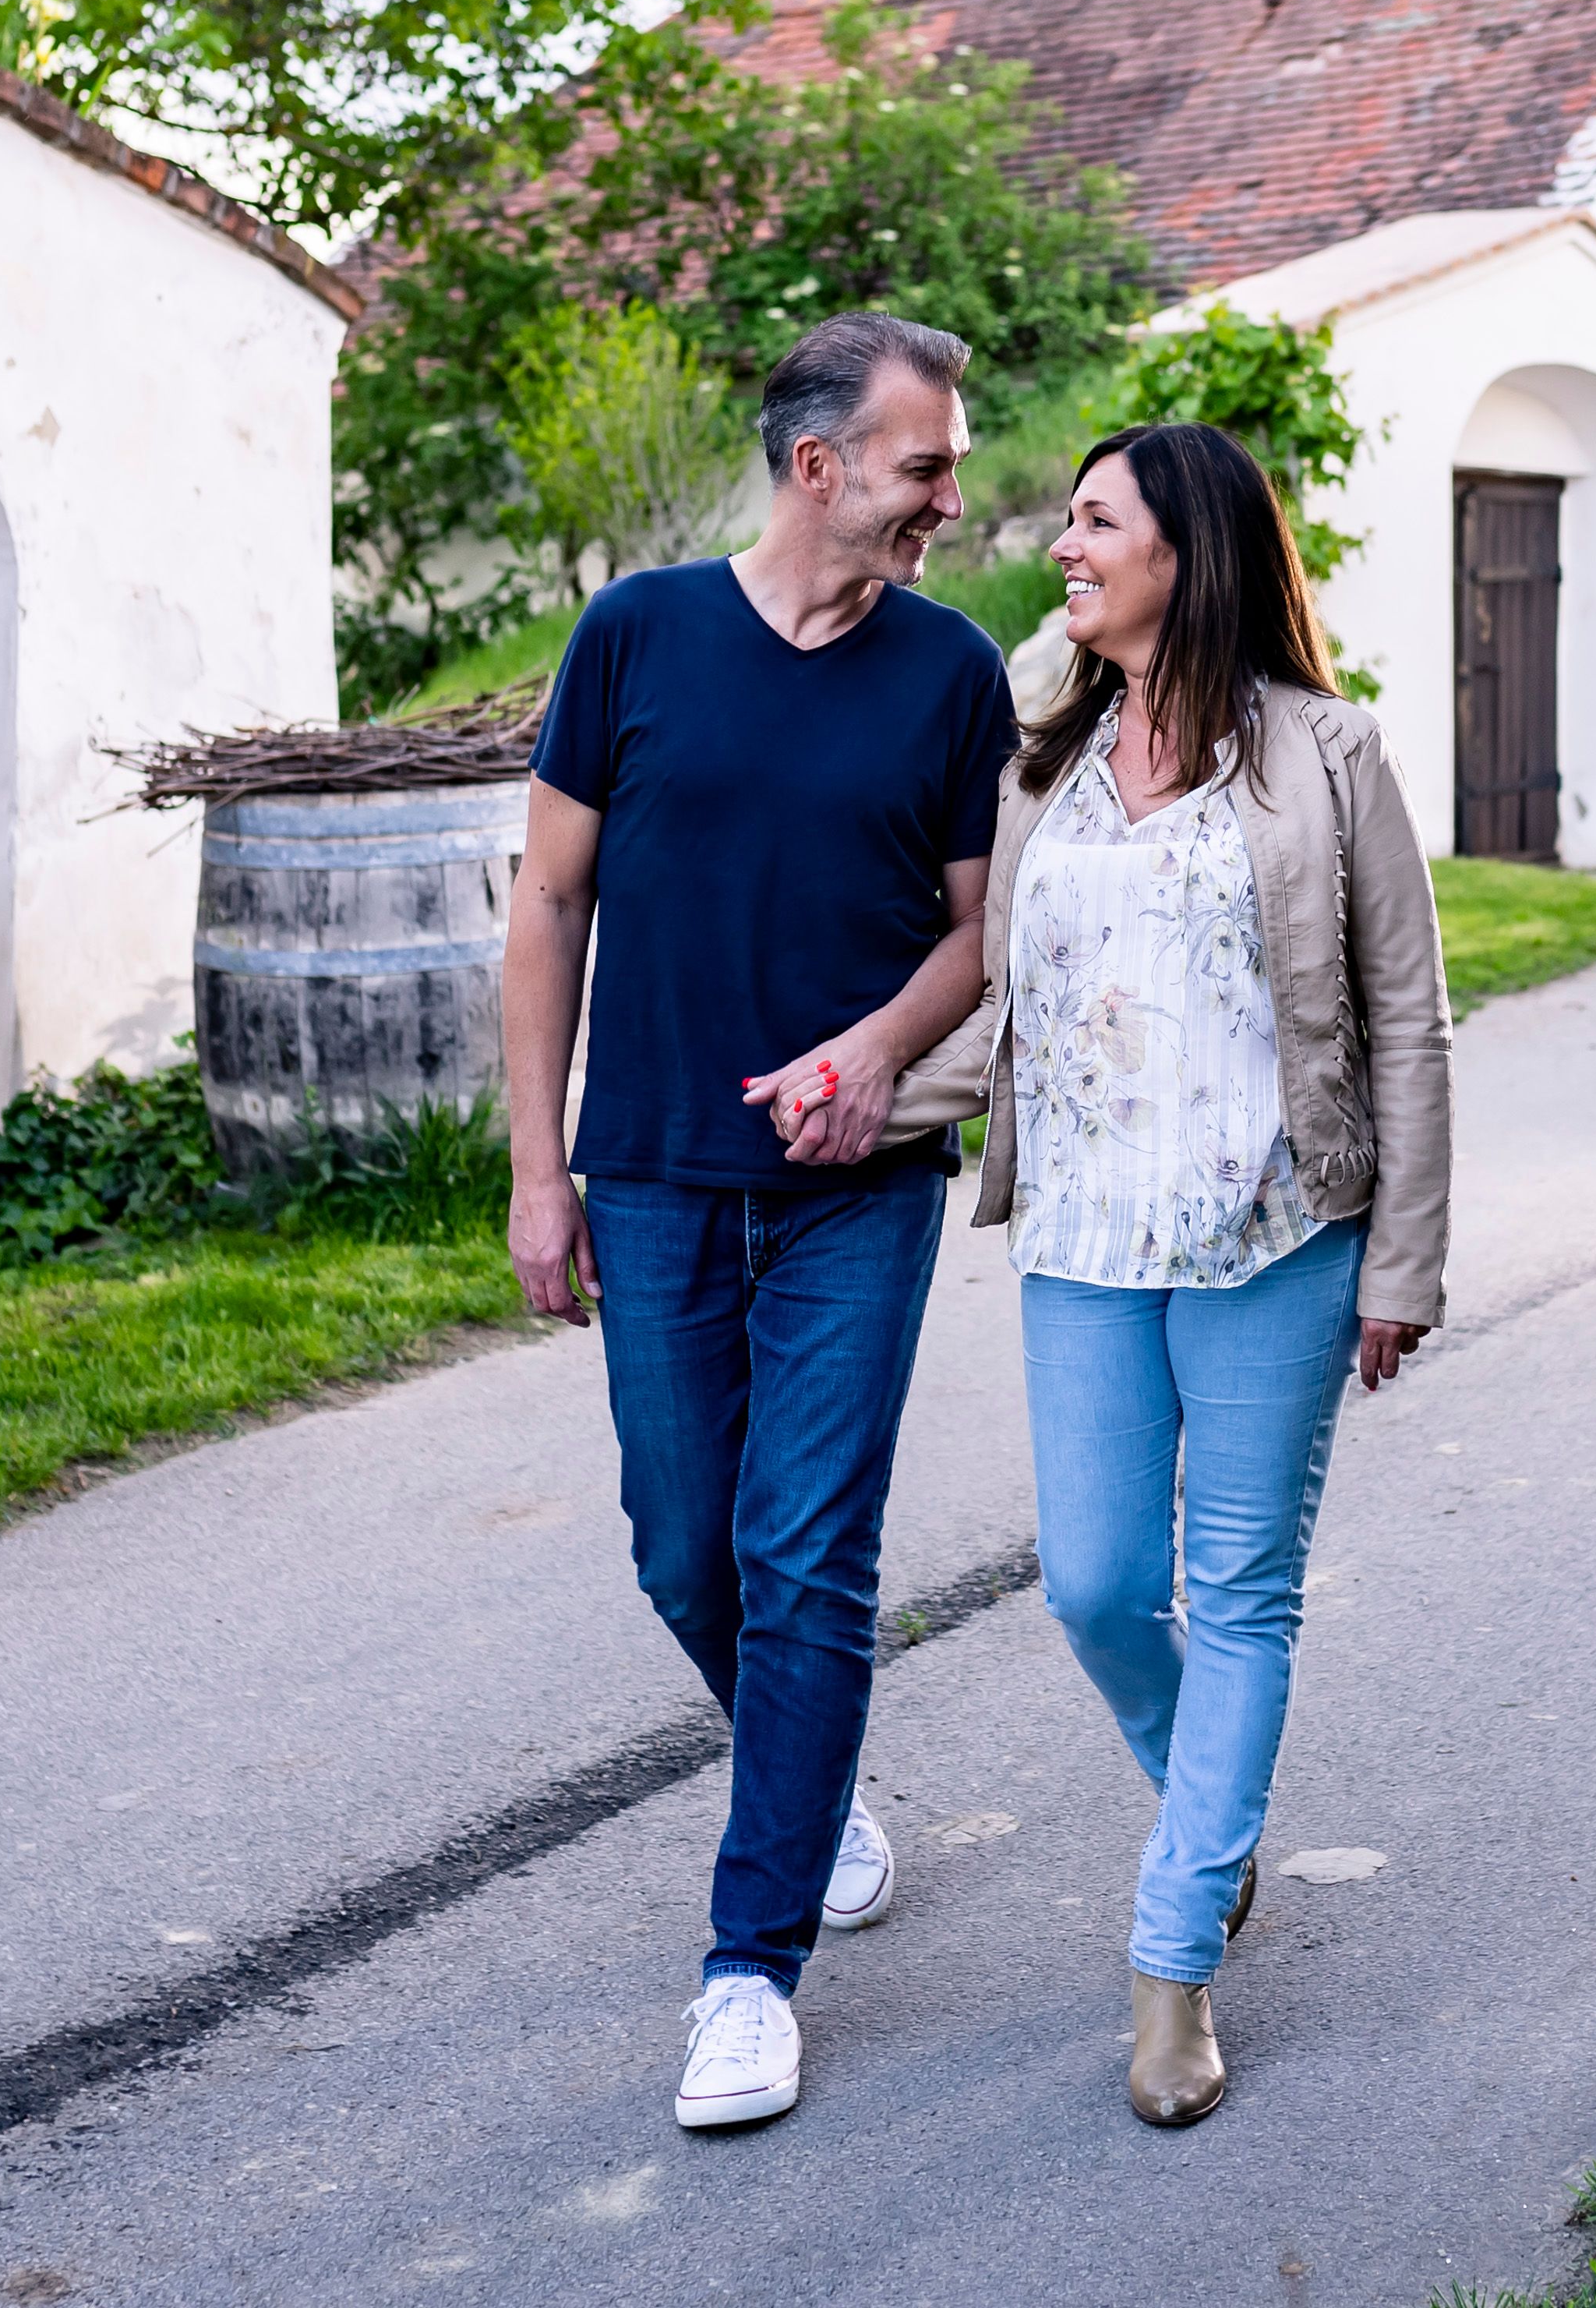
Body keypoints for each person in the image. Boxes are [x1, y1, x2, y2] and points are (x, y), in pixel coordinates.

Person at [867, 420, 1451, 2129]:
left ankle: (1173, 1958)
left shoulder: (1329, 753)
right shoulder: (1042, 758)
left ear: (1186, 551)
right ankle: (1217, 1805)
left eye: (1096, 520)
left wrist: (1404, 1259)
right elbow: (1002, 997)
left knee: (1241, 1591)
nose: (1064, 544)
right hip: (1084, 1235)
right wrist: (860, 1093)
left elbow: (1407, 1018)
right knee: (1097, 1584)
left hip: (1277, 1232)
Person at [502, 309, 1020, 2134]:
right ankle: (811, 1778)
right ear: (819, 464)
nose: (949, 498)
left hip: (856, 1186)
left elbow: (981, 924)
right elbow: (548, 902)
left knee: (806, 1553)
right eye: (924, 466)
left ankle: (750, 1964)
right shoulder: (636, 634)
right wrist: (539, 1166)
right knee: (680, 1544)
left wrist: (877, 1054)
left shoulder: (953, 671)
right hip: (650, 1167)